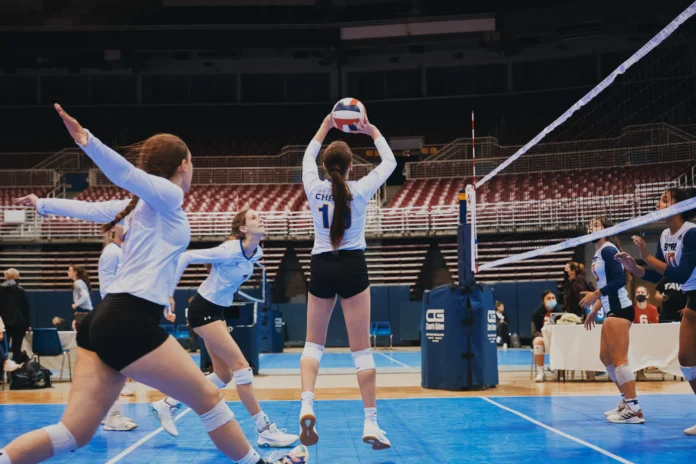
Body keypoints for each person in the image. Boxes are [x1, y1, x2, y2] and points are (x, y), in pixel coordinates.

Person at [2, 104, 308, 464]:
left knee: (74, 433)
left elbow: (87, 210)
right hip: (129, 319)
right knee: (208, 400)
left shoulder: (138, 207)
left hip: (103, 320)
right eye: (191, 161)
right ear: (182, 165)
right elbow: (128, 174)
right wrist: (87, 141)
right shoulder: (169, 195)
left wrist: (42, 204)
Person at [152, 208, 299, 448]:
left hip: (217, 311)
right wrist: (168, 295)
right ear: (243, 229)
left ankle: (167, 404)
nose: (260, 218)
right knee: (242, 368)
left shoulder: (257, 253)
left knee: (223, 375)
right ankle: (265, 430)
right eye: (253, 218)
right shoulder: (229, 249)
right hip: (203, 309)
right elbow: (185, 257)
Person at [299, 113, 396, 450]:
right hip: (353, 265)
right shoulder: (361, 189)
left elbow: (308, 155)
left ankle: (307, 404)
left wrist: (325, 125)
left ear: (326, 168)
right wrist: (372, 130)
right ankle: (370, 422)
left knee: (313, 346)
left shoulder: (313, 188)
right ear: (350, 166)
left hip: (322, 264)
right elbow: (390, 162)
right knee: (362, 352)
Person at [615, 187, 696, 435]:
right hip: (692, 297)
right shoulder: (663, 236)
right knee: (686, 361)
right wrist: (634, 267)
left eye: (665, 199)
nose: (659, 203)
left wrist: (647, 258)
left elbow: (681, 273)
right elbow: (658, 276)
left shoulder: (691, 233)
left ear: (679, 206)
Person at [581, 217, 644, 424]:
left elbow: (619, 280)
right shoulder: (598, 253)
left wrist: (595, 294)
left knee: (619, 359)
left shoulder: (608, 250)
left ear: (606, 230)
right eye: (589, 225)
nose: (591, 227)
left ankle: (634, 409)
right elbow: (608, 285)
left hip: (620, 309)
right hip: (610, 308)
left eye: (596, 225)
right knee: (605, 358)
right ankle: (627, 400)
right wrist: (594, 309)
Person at [0, 268, 31, 364]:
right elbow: (25, 308)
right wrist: (28, 324)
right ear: (16, 277)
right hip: (19, 323)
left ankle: (1, 375)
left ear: (6, 277)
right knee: (17, 348)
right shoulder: (20, 290)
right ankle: (15, 375)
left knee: (3, 349)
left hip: (4, 324)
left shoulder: (0, 290)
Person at [530, 291, 557, 382]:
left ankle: (557, 370)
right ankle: (541, 372)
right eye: (548, 298)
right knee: (538, 341)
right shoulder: (536, 313)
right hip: (542, 338)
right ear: (543, 301)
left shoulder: (561, 311)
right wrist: (544, 337)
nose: (551, 300)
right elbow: (534, 331)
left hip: (557, 339)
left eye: (553, 298)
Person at [68, 264, 92, 330]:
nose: (68, 272)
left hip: (84, 313)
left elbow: (85, 295)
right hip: (84, 312)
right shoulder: (80, 282)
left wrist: (76, 304)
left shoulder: (78, 283)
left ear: (75, 273)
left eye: (69, 270)